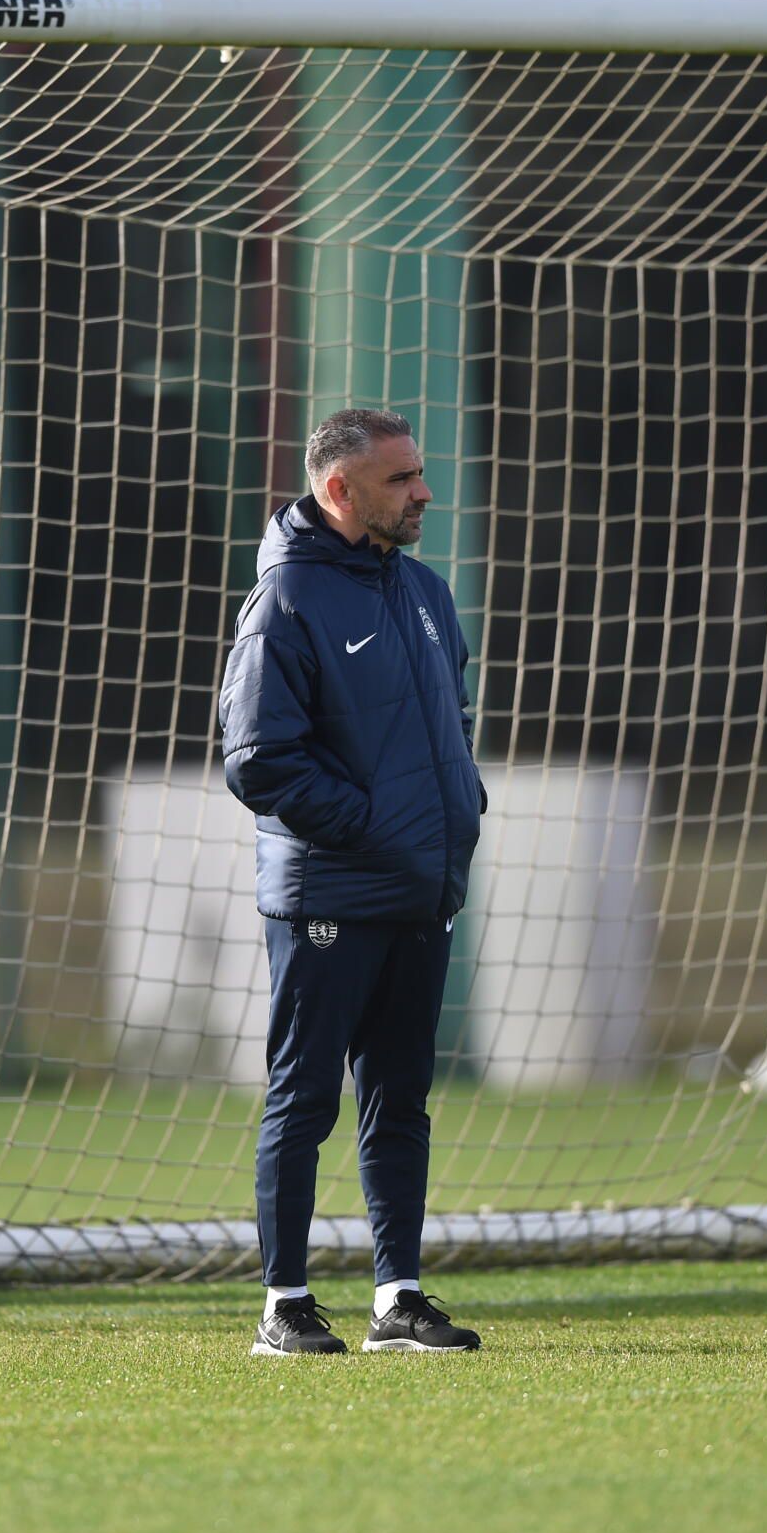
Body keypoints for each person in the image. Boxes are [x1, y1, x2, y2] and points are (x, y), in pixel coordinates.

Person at [217, 408, 487, 1356]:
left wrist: (463, 804)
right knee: (305, 1098)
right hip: (331, 897)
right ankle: (284, 1305)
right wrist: (374, 830)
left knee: (400, 1098)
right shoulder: (285, 597)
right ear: (339, 490)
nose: (422, 492)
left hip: (418, 892)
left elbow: (450, 714)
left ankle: (398, 1301)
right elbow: (259, 760)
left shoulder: (423, 590)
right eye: (400, 479)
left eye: (419, 473)